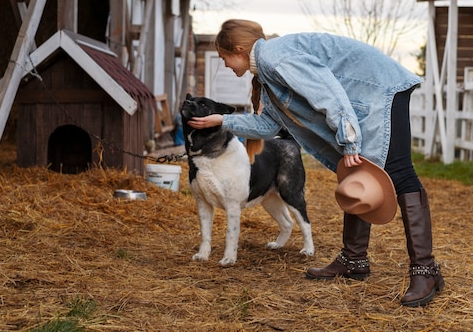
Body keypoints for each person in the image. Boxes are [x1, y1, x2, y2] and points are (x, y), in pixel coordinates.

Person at [187, 19, 445, 307]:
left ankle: (425, 269)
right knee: (358, 177)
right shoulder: (266, 74)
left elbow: (326, 93)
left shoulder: (274, 57)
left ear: (238, 50)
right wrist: (223, 121)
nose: (224, 64)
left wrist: (349, 139)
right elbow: (269, 126)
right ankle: (354, 259)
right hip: (364, 94)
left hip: (380, 87)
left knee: (399, 173)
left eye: (224, 58)